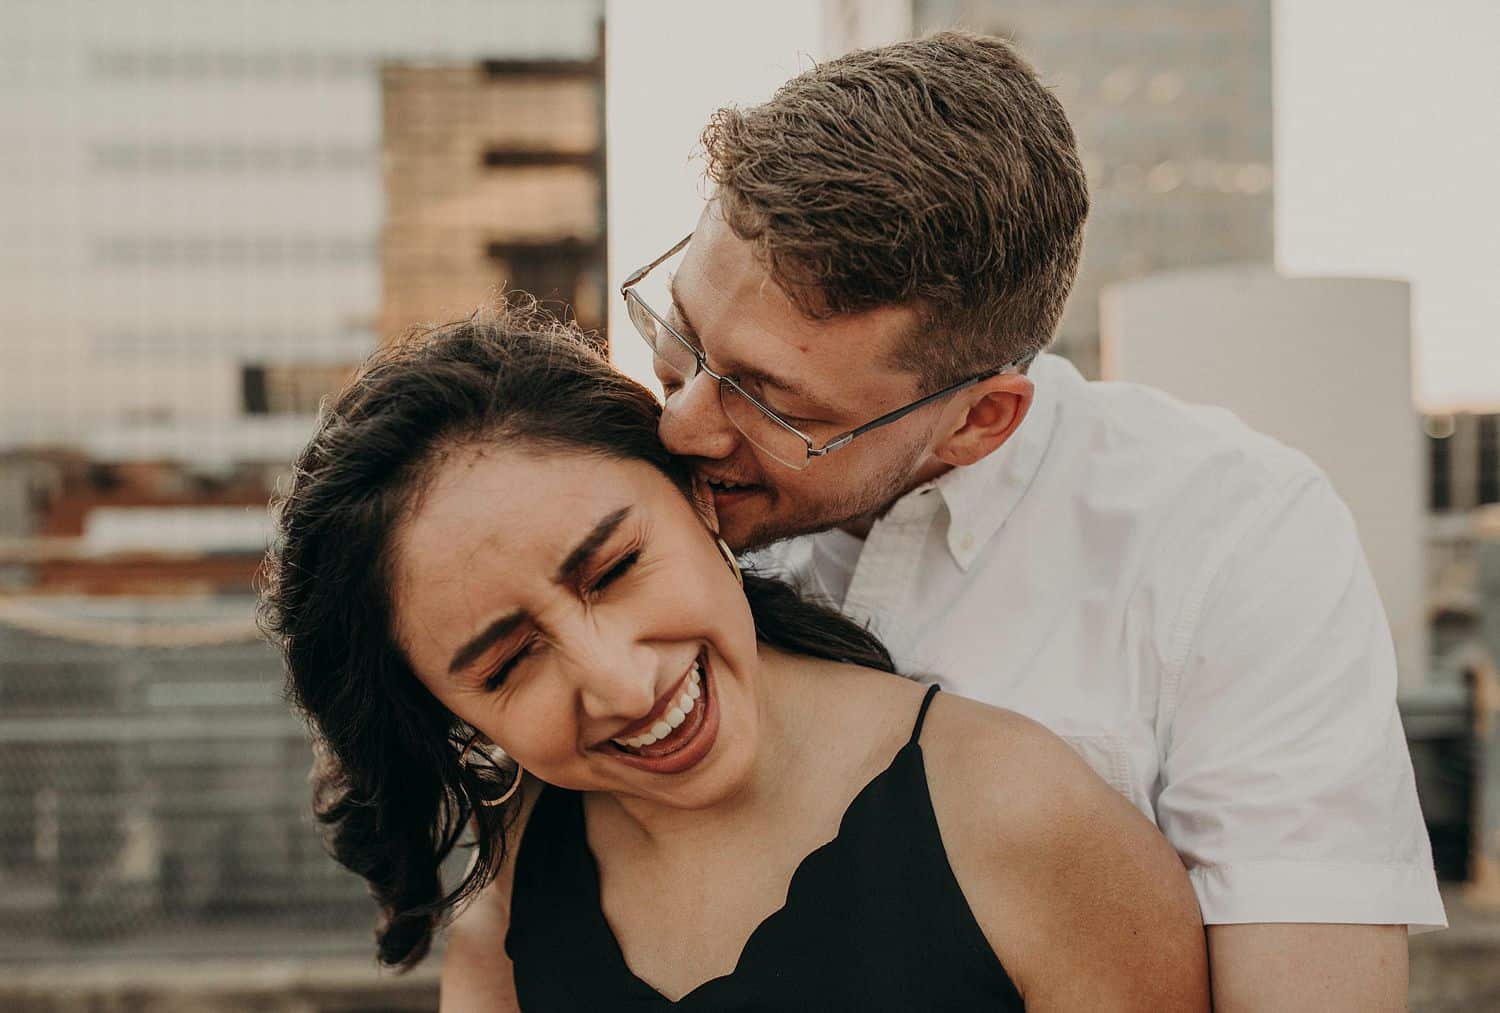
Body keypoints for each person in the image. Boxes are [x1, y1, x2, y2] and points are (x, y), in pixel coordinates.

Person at [483, 28, 1438, 1012]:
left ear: (980, 420)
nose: (682, 423)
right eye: (680, 331)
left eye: (772, 402)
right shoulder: (638, 490)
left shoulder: (1236, 540)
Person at [260, 305, 1208, 1010]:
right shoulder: (514, 882)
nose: (624, 683)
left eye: (617, 567)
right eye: (508, 665)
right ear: (441, 711)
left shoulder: (1020, 813)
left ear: (698, 497)